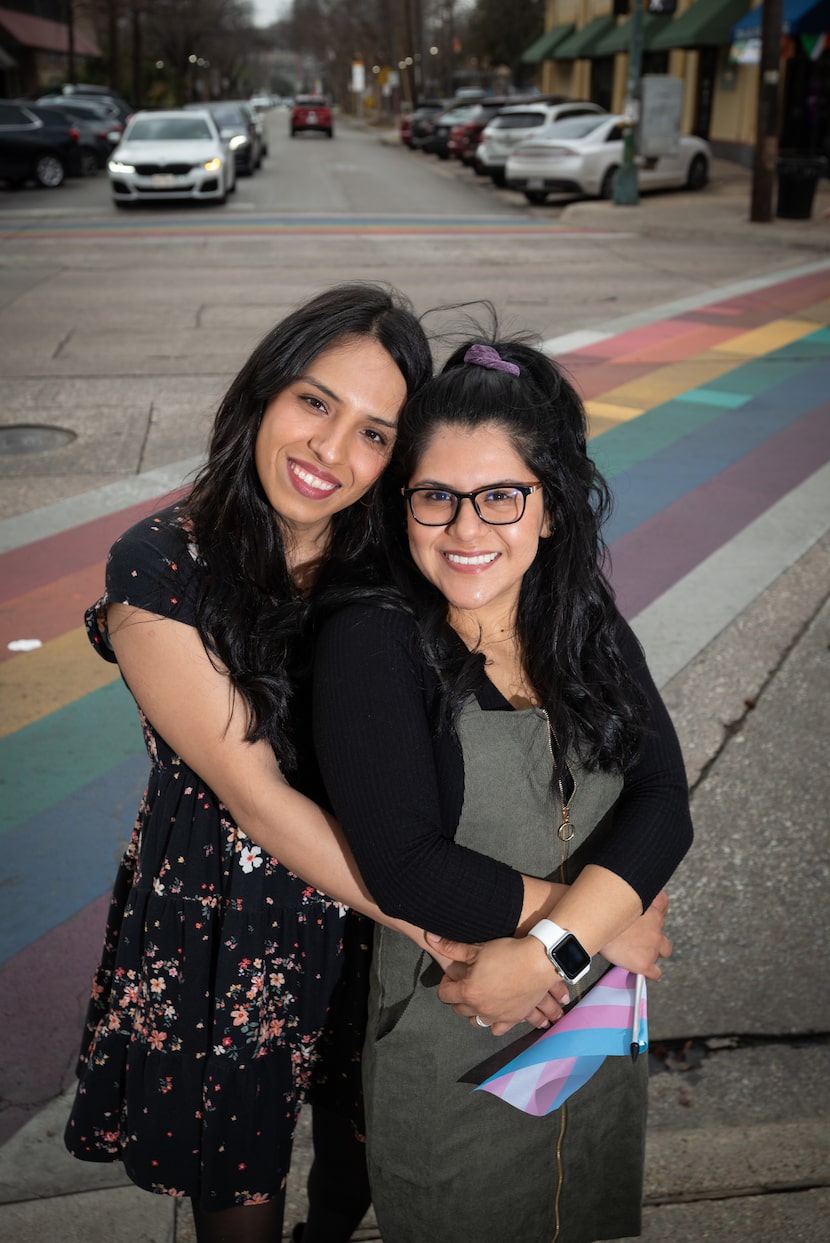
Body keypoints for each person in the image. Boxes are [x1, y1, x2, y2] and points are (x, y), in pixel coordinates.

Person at [63, 283, 436, 1243]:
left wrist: (621, 880)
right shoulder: (160, 566)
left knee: (365, 1160)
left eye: (374, 433)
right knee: (241, 1202)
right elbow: (257, 797)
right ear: (266, 390)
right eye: (316, 402)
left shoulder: (402, 565)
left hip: (375, 916)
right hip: (233, 926)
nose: (330, 451)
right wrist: (449, 922)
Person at [312, 337, 694, 1243]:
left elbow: (663, 795)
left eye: (501, 496)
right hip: (460, 1021)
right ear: (403, 505)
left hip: (592, 1034)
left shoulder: (582, 619)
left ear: (551, 508)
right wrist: (603, 918)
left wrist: (555, 949)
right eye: (436, 497)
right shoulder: (374, 641)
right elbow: (406, 867)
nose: (467, 529)